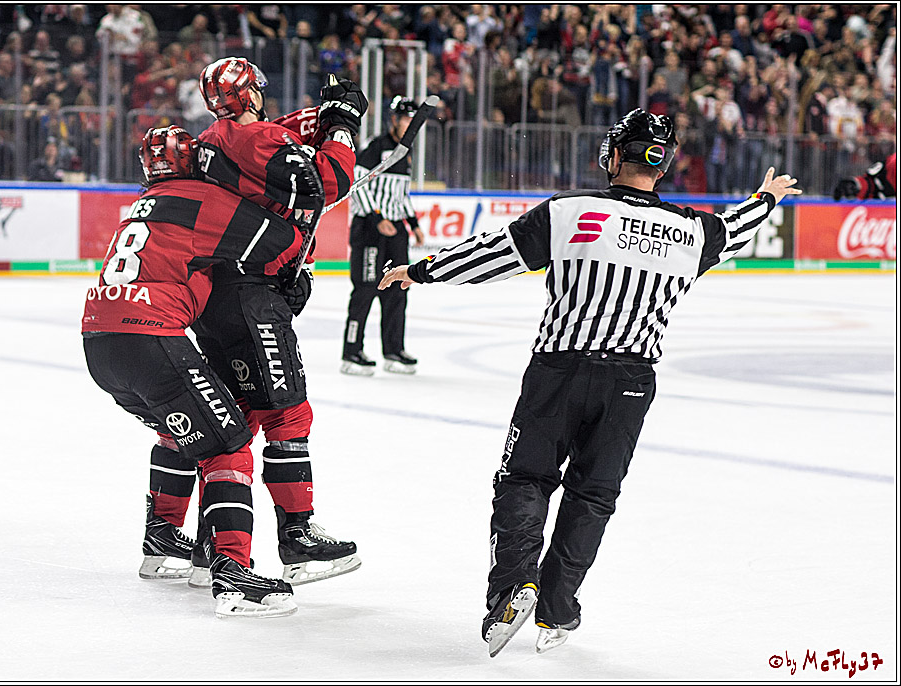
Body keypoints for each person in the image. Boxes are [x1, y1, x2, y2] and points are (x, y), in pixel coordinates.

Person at [379, 109, 802, 657]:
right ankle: (557, 609)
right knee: (593, 496)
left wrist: (418, 271)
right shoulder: (693, 231)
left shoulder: (573, 210)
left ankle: (513, 588)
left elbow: (490, 255)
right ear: (663, 164)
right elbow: (737, 231)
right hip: (631, 382)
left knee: (525, 478)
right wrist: (765, 198)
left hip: (560, 368)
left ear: (615, 156)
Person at [162, 58, 366, 588]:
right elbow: (328, 182)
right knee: (287, 415)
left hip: (221, 294)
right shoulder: (255, 142)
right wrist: (340, 127)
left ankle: (210, 541)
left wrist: (324, 114)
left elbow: (275, 133)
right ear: (250, 92)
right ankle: (297, 538)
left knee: (235, 417)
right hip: (253, 296)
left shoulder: (215, 136)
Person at [84, 126, 300, 618]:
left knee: (185, 435)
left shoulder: (141, 205)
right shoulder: (199, 197)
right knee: (230, 444)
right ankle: (233, 576)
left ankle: (160, 543)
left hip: (100, 342)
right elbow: (279, 242)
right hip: (151, 338)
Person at [341, 95, 426, 376]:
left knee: (399, 289)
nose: (409, 125)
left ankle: (393, 350)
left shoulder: (406, 153)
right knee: (366, 289)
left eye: (413, 121)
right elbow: (358, 184)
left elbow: (401, 194)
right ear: (394, 120)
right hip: (369, 229)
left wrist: (412, 223)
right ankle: (351, 352)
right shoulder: (376, 148)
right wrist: (378, 218)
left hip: (395, 232)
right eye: (405, 120)